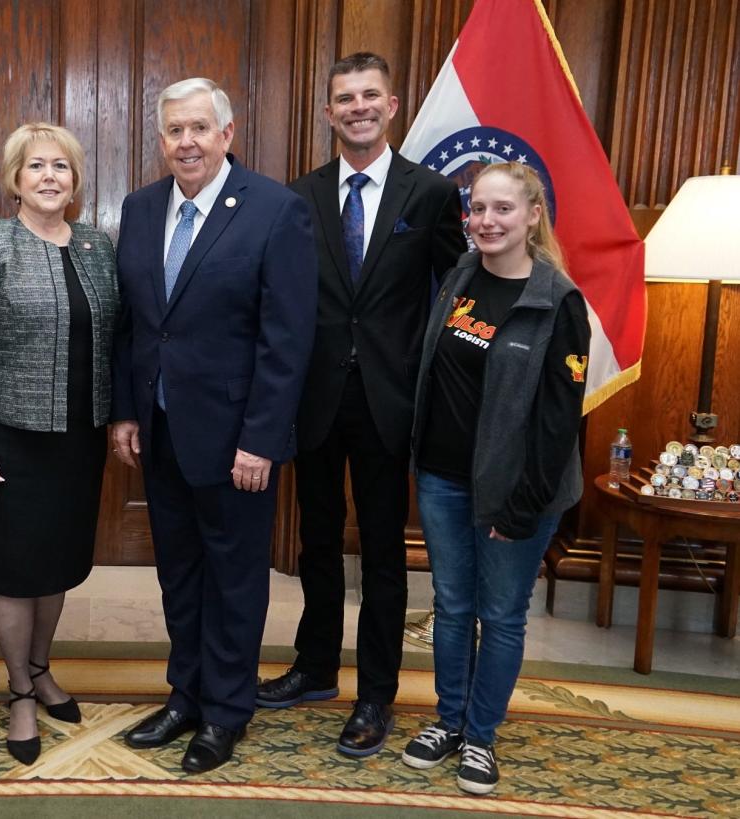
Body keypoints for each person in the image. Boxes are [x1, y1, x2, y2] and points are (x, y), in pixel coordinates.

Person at [260, 52, 466, 757]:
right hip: (312, 398)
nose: (357, 107)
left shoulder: (432, 194)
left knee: (381, 550)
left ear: (393, 104)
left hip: (390, 400)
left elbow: (453, 297)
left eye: (368, 95)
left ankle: (377, 692)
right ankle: (315, 666)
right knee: (314, 541)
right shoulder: (298, 196)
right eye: (343, 98)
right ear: (328, 113)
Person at [112, 77, 316, 774]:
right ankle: (186, 693)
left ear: (228, 134)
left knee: (234, 577)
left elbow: (286, 340)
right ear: (161, 140)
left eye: (200, 127)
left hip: (238, 443)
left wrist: (261, 438)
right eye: (174, 130)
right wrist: (126, 412)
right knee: (179, 572)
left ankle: (226, 710)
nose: (187, 141)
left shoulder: (274, 210)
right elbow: (133, 325)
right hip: (162, 431)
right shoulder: (139, 209)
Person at [401, 161, 589, 794]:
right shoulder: (459, 276)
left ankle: (481, 737)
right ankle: (448, 721)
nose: (486, 221)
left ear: (533, 215)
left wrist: (526, 506)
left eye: (502, 209)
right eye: (477, 209)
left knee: (502, 616)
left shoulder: (557, 302)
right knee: (452, 608)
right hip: (443, 479)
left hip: (517, 492)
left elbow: (561, 420)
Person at [0, 123, 118, 766]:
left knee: (57, 563)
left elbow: (115, 340)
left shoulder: (98, 246)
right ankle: (19, 689)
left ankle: (42, 667)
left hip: (78, 439)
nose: (50, 177)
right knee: (15, 571)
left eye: (62, 168)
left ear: (75, 181)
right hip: (7, 443)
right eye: (36, 166)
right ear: (15, 177)